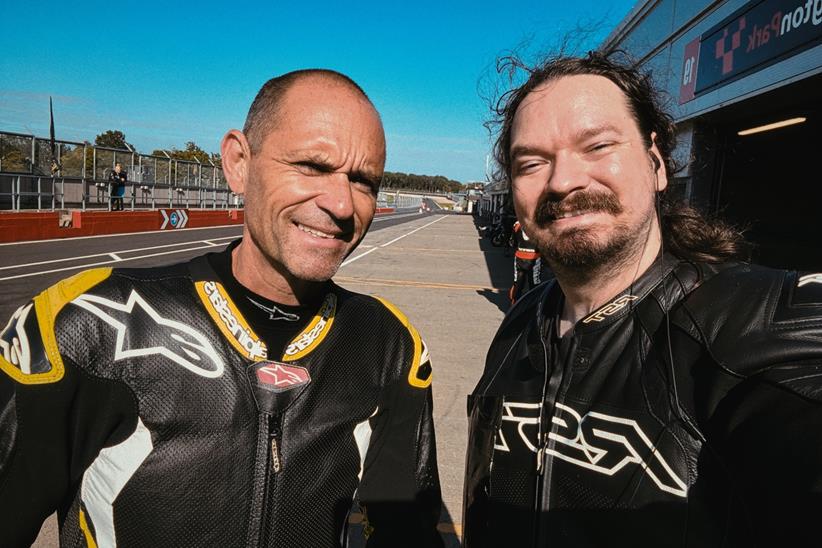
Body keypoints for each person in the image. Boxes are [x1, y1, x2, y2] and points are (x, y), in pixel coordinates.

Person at [0, 69, 443, 548]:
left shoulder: (390, 348)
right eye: (312, 166)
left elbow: (407, 536)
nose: (341, 203)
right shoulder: (86, 321)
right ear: (238, 163)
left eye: (364, 181)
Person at [463, 51, 822, 547]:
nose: (564, 181)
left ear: (656, 165)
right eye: (532, 162)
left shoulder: (753, 325)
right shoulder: (523, 321)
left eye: (597, 146)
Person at [508, 219, 542, 305]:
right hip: (534, 257)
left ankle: (514, 304)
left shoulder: (517, 224)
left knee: (518, 282)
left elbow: (512, 243)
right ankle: (534, 305)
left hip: (520, 257)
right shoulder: (540, 225)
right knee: (535, 283)